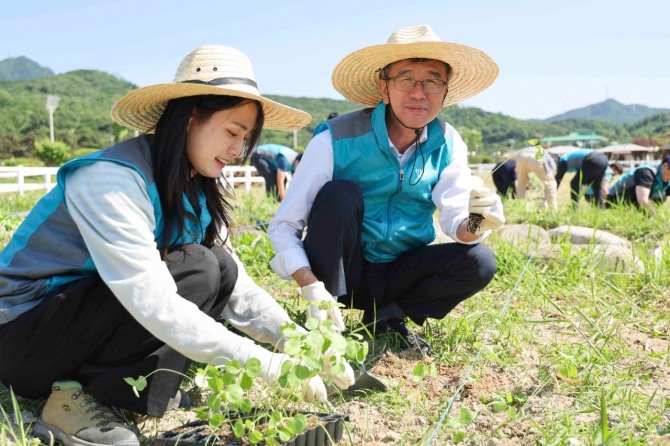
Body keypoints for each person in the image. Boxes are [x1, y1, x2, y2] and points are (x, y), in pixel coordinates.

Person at [0, 45, 354, 446]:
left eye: (247, 138)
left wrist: (300, 342)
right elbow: (152, 300)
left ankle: (112, 390)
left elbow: (238, 289)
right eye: (233, 133)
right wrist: (265, 364)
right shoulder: (109, 179)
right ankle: (75, 403)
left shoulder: (197, 185)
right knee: (199, 266)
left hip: (79, 321)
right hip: (21, 336)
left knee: (217, 267)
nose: (240, 151)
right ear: (190, 119)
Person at [267, 24, 504, 356]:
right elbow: (284, 226)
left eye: (433, 81)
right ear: (384, 87)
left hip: (401, 271)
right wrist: (310, 286)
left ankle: (389, 316)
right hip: (342, 270)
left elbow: (456, 221)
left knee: (480, 260)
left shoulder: (448, 141)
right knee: (340, 193)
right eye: (406, 79)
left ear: (446, 91)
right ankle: (325, 319)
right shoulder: (335, 139)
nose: (419, 92)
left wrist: (479, 220)